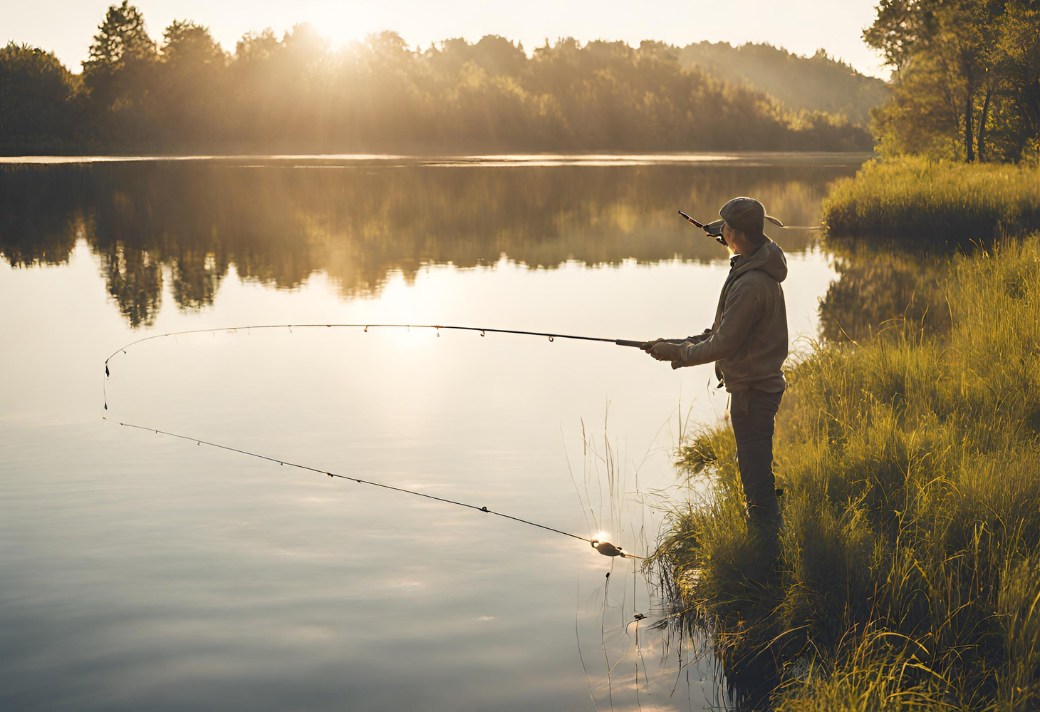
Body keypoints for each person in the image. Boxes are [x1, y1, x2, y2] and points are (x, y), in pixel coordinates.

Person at [643, 197, 789, 531]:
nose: (719, 233)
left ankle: (767, 558)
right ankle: (768, 544)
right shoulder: (758, 264)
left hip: (753, 392)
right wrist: (676, 345)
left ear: (738, 234)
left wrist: (678, 354)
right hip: (756, 387)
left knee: (756, 483)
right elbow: (722, 332)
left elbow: (723, 344)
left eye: (725, 228)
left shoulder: (750, 284)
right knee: (756, 470)